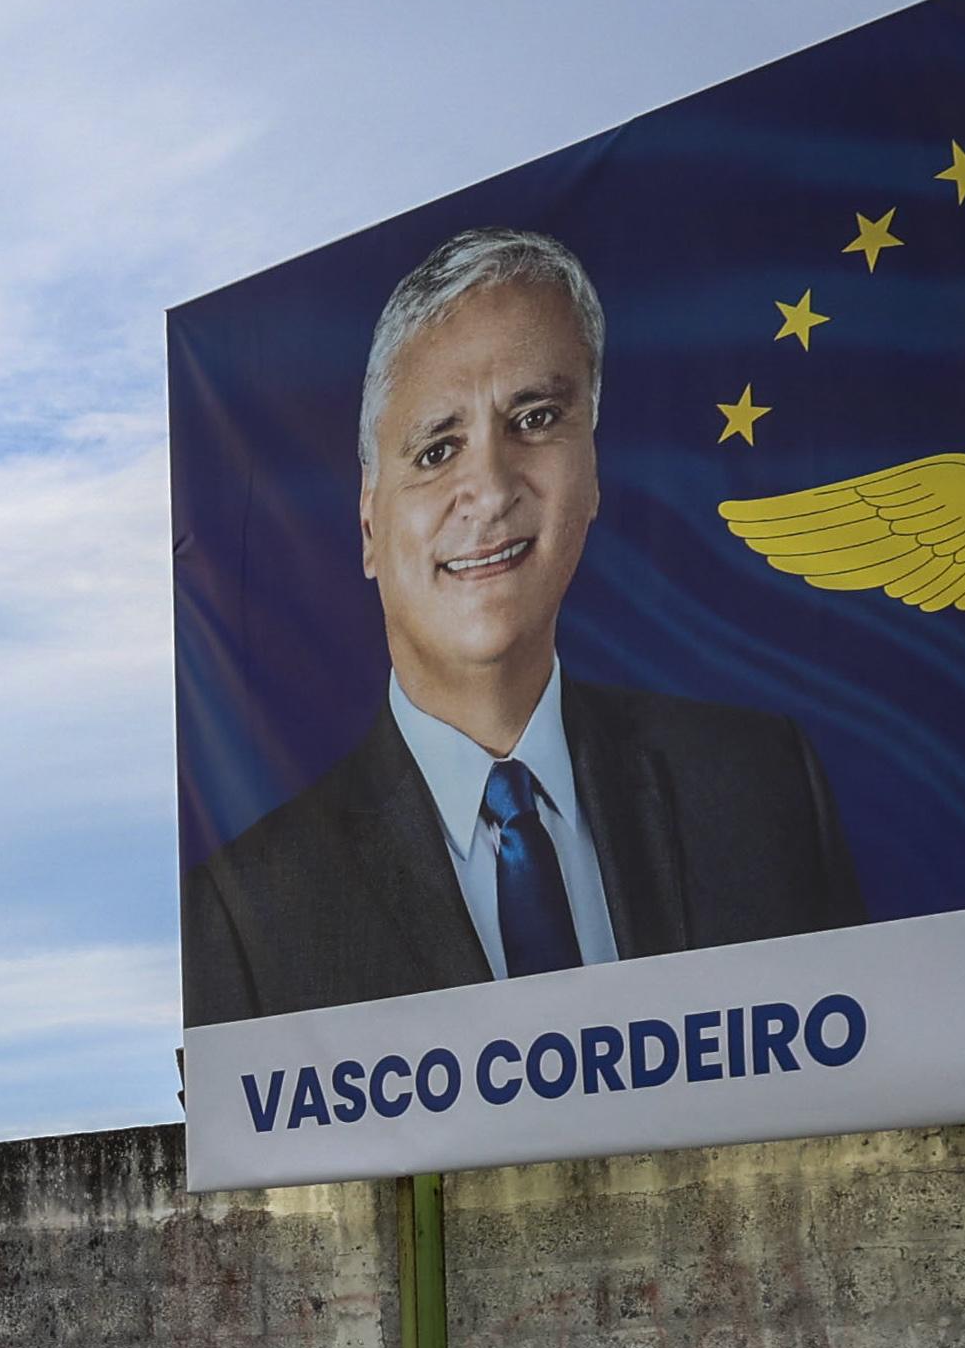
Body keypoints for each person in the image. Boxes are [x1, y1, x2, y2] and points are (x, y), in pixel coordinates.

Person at [182, 227, 866, 1027]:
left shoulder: (761, 788)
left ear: (593, 470)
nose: (491, 488)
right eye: (436, 451)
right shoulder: (247, 914)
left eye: (535, 418)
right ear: (368, 528)